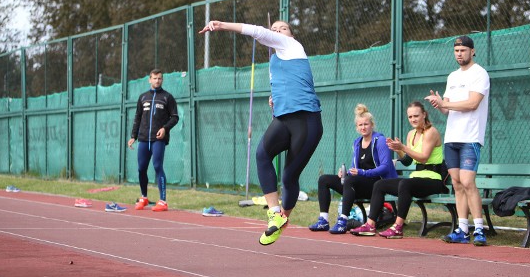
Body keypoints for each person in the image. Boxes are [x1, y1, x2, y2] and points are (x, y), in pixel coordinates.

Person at [199, 20, 323, 245]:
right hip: (284, 119)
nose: (276, 31)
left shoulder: (292, 46)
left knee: (288, 176)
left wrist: (222, 25)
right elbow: (287, 83)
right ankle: (275, 214)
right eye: (274, 29)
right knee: (261, 155)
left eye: (282, 28)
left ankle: (284, 218)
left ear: (290, 35)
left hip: (307, 120)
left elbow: (257, 31)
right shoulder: (276, 60)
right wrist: (275, 99)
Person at [424, 35, 490, 246]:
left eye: (463, 50)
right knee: (457, 183)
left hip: (470, 137)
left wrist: (446, 104)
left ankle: (479, 229)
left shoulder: (480, 74)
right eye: (456, 51)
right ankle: (462, 229)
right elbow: (446, 110)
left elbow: (472, 104)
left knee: (468, 182)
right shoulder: (452, 77)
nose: (459, 53)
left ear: (472, 51)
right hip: (452, 139)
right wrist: (439, 104)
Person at [350, 101, 446, 238]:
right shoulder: (411, 134)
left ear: (424, 115)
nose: (413, 119)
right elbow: (408, 161)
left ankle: (398, 227)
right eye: (410, 117)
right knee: (379, 185)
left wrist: (403, 148)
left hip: (433, 180)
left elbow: (424, 158)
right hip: (416, 179)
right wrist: (399, 150)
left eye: (416, 116)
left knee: (404, 183)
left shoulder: (431, 132)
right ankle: (370, 225)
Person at [308, 104, 397, 234]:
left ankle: (343, 221)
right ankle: (323, 220)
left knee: (350, 180)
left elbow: (385, 167)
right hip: (359, 184)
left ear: (372, 125)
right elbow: (354, 168)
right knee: (324, 179)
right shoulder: (357, 142)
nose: (363, 127)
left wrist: (362, 172)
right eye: (360, 125)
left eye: (366, 124)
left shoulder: (380, 140)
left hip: (377, 185)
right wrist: (345, 172)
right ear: (357, 127)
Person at [128, 69, 179, 212]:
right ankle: (144, 197)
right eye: (155, 78)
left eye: (160, 78)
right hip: (143, 139)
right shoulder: (143, 97)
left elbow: (175, 117)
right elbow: (137, 117)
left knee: (157, 166)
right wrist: (133, 136)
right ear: (149, 80)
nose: (157, 81)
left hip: (158, 140)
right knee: (141, 169)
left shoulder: (167, 97)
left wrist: (164, 129)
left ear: (162, 80)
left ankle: (163, 201)